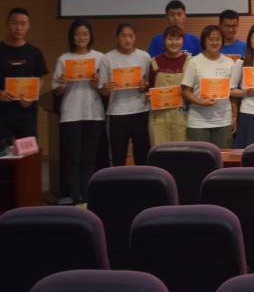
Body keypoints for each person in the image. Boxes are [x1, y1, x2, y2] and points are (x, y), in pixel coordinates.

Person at [51, 18, 104, 205]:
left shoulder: (100, 58)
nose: (81, 37)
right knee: (73, 159)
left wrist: (98, 84)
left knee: (89, 159)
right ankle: (75, 198)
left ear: (90, 36)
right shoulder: (63, 59)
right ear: (72, 37)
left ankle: (87, 197)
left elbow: (105, 89)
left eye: (85, 34)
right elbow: (57, 90)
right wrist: (62, 85)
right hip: (70, 114)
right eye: (78, 34)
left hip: (94, 113)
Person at [0, 7, 48, 141]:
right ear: (7, 24)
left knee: (28, 152)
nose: (19, 28)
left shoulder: (34, 53)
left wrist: (32, 96)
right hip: (0, 114)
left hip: (27, 114)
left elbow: (41, 78)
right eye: (14, 23)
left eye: (23, 24)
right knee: (0, 151)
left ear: (28, 26)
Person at [98, 22, 151, 165]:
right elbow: (103, 90)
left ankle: (142, 180)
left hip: (141, 111)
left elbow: (149, 84)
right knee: (118, 156)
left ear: (135, 37)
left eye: (130, 36)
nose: (127, 40)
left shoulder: (145, 57)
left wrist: (145, 85)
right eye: (123, 36)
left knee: (142, 156)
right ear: (117, 37)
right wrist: (106, 89)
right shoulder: (107, 58)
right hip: (117, 113)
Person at [181, 25, 239, 148]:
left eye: (218, 39)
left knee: (224, 157)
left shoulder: (229, 62)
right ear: (204, 41)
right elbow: (185, 91)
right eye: (211, 39)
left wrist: (234, 116)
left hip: (223, 120)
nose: (214, 42)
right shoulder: (194, 61)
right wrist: (201, 102)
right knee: (200, 158)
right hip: (198, 122)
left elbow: (232, 93)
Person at [147, 25, 190, 146]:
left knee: (181, 151)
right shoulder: (154, 62)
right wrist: (148, 95)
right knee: (160, 151)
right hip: (158, 117)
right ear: (164, 41)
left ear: (183, 41)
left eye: (177, 39)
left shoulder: (189, 62)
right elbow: (149, 87)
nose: (174, 42)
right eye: (170, 39)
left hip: (181, 115)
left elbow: (191, 90)